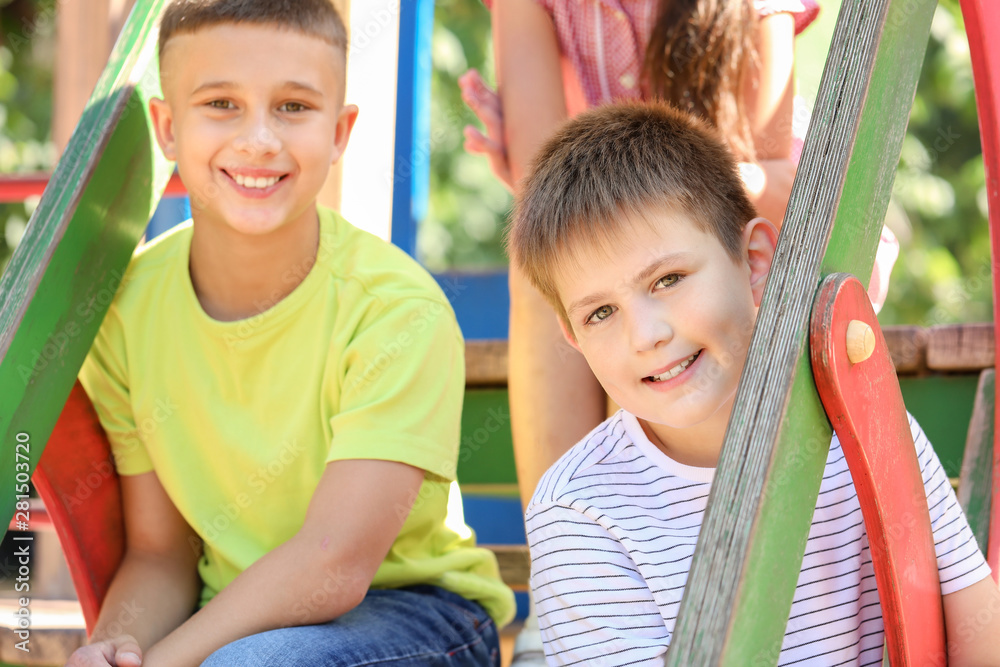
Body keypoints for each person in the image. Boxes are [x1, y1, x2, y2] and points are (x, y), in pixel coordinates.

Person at [68, 1, 514, 665]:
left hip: (419, 613)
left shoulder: (394, 312)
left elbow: (332, 566)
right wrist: (115, 649)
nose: (259, 140)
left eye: (294, 108)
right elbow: (160, 553)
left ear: (339, 133)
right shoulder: (128, 311)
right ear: (166, 126)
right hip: (232, 621)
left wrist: (167, 662)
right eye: (220, 103)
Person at [507, 101, 1000, 665]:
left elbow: (977, 637)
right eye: (600, 314)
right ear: (573, 338)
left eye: (668, 279)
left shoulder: (870, 432)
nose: (645, 336)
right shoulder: (579, 512)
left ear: (756, 261)